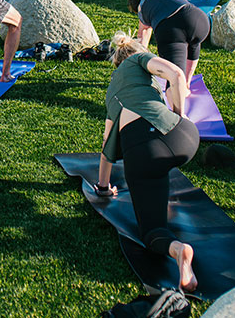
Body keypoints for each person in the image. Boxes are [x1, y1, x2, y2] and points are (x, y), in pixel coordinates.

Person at [95, 32, 199, 292]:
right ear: (137, 51)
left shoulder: (112, 93)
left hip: (143, 153)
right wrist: (180, 117)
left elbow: (107, 147)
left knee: (152, 232)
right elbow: (176, 75)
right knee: (161, 164)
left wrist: (104, 187)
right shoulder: (140, 59)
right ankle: (179, 249)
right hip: (183, 138)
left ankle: (177, 251)